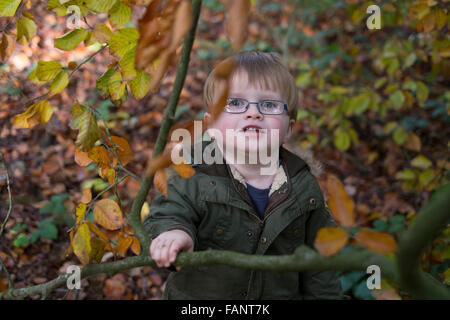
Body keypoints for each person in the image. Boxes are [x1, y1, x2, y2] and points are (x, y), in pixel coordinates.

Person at [143, 51, 344, 299]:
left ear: (289, 128)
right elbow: (170, 210)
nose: (253, 113)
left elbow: (320, 263)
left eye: (269, 105)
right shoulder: (193, 175)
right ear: (211, 126)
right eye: (235, 103)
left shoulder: (303, 189)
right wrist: (175, 232)